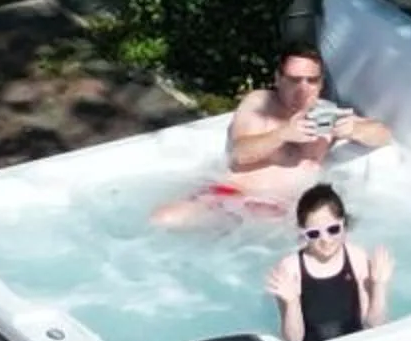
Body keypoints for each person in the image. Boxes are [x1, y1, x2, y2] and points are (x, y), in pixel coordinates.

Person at [161, 41, 394, 224]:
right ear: (278, 79)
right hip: (233, 196)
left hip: (284, 214)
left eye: (311, 81)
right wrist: (283, 134)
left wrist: (354, 129)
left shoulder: (326, 114)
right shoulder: (259, 103)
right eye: (294, 80)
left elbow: (383, 135)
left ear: (321, 83)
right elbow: (239, 153)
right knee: (164, 219)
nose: (303, 89)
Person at [265, 183, 392, 341]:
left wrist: (379, 286)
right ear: (303, 233)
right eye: (314, 234)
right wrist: (292, 303)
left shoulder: (356, 258)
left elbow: (374, 324)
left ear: (343, 224)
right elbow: (294, 340)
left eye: (332, 229)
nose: (325, 240)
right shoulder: (291, 268)